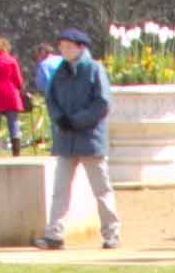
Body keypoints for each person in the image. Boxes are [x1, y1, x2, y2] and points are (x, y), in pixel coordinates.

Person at [34, 27, 119, 250]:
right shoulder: (60, 71)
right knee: (60, 190)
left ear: (81, 48)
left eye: (68, 46)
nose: (63, 50)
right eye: (62, 46)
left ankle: (112, 233)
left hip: (90, 138)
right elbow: (50, 98)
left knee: (101, 189)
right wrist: (60, 119)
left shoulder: (94, 69)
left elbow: (102, 103)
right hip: (66, 138)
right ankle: (54, 234)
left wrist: (78, 120)